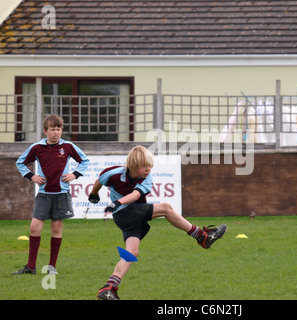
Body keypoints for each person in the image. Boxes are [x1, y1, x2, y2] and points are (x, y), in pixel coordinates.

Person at [88, 145, 227, 300]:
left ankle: (109, 288)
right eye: (144, 165)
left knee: (131, 253)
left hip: (130, 213)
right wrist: (94, 194)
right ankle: (202, 236)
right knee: (166, 208)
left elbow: (135, 195)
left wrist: (117, 202)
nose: (148, 169)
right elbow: (99, 181)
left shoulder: (147, 178)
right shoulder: (114, 172)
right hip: (125, 213)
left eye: (150, 165)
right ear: (133, 165)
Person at [13, 115, 89, 275]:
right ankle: (31, 267)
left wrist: (75, 174)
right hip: (43, 195)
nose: (56, 133)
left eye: (59, 129)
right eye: (53, 130)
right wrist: (31, 176)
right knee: (34, 227)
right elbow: (20, 162)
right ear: (45, 131)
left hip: (61, 195)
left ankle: (51, 267)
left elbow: (84, 161)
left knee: (56, 228)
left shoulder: (68, 146)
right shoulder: (37, 147)